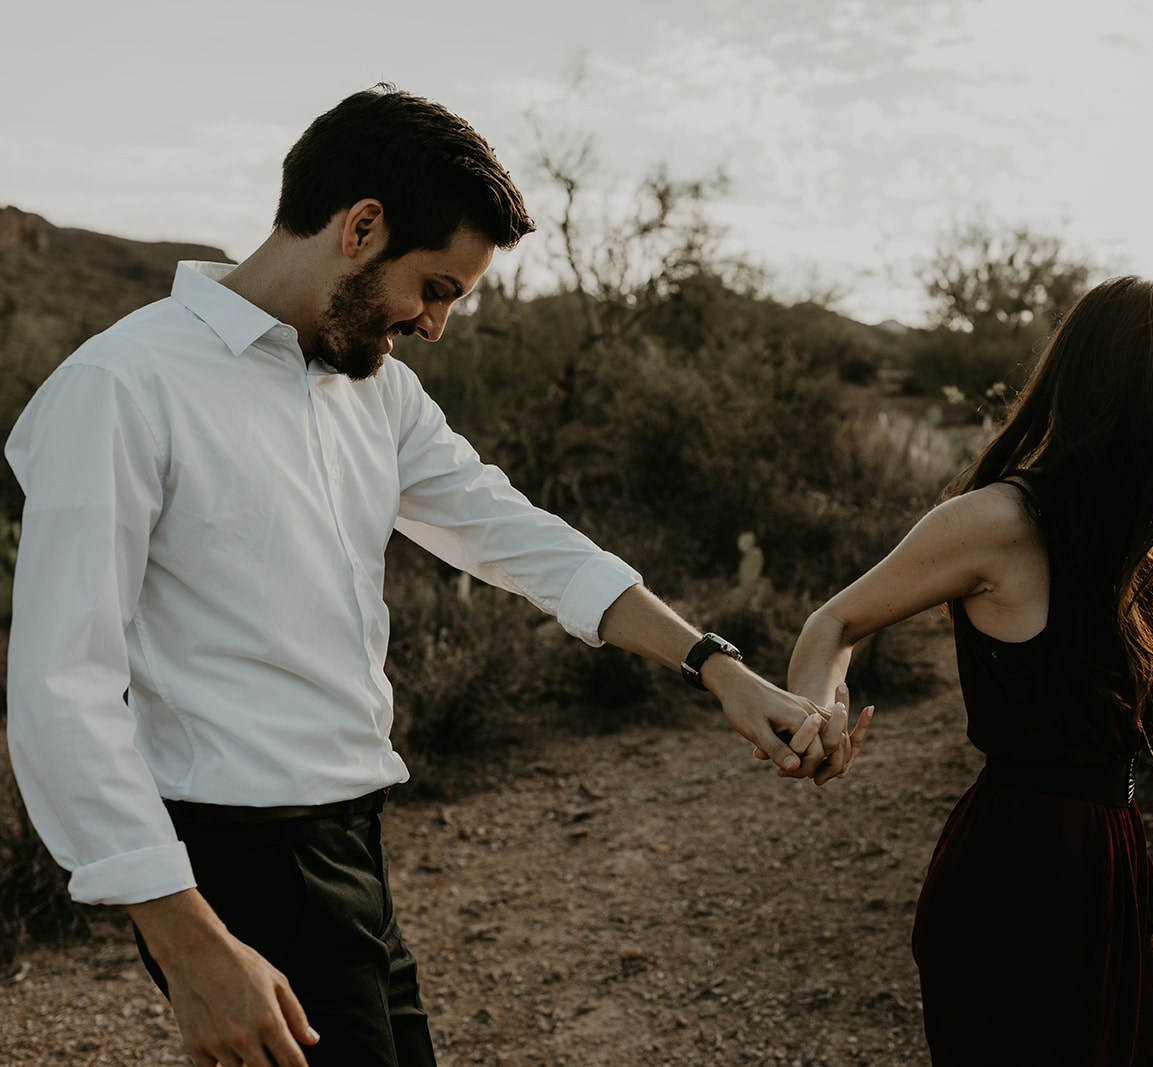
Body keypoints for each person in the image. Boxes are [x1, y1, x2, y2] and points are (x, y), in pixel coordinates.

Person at [4, 86, 861, 1067]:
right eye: (436, 286)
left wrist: (716, 665)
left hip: (351, 847)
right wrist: (191, 944)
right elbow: (59, 690)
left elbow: (513, 533)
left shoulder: (377, 394)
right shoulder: (124, 385)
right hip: (235, 859)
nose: (436, 324)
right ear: (361, 226)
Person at [786, 276, 1153, 1064]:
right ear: (1144, 404)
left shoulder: (1125, 533)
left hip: (1106, 858)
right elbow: (835, 619)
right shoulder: (996, 521)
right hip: (1017, 878)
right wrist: (814, 708)